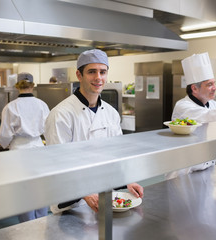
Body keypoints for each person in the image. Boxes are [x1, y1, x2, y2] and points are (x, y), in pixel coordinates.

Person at [44, 49, 144, 213]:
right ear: (79, 75)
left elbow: (117, 155)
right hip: (72, 205)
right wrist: (84, 192)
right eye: (92, 72)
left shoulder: (111, 113)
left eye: (102, 72)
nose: (98, 77)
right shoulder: (61, 114)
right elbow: (58, 165)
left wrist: (127, 181)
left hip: (105, 196)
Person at [0, 72, 50, 222]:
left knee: (23, 192)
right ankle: (41, 224)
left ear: (17, 86)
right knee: (40, 190)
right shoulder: (42, 105)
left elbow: (5, 135)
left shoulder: (10, 107)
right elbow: (48, 129)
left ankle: (27, 229)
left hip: (19, 153)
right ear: (32, 86)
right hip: (39, 149)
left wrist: (5, 144)